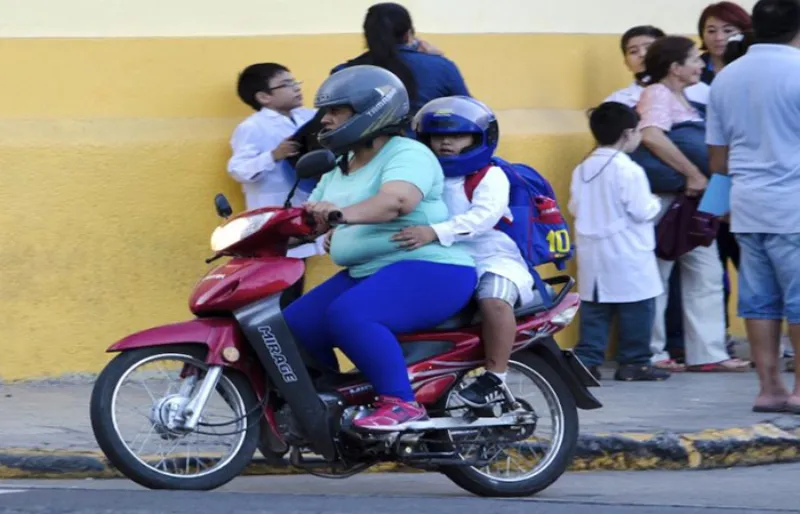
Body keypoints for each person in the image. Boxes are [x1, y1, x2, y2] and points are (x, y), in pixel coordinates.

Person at [283, 65, 478, 431]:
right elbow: (308, 221)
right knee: (294, 323)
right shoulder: (339, 167)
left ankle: (402, 403)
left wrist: (340, 216)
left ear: (370, 111)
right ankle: (330, 405)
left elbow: (396, 201)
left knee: (350, 315)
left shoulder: (407, 154)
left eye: (336, 111)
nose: (325, 120)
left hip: (430, 270)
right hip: (367, 272)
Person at [390, 96, 535, 406]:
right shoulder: (424, 176)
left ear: (479, 139)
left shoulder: (489, 175)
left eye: (457, 136)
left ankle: (496, 377)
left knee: (494, 300)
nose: (446, 143)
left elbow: (483, 217)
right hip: (440, 258)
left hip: (492, 257)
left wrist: (434, 232)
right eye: (437, 136)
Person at [706, 0, 800, 411]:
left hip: (746, 206)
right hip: (793, 205)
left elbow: (717, 160)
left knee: (759, 302)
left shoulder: (726, 77)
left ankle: (769, 388)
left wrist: (718, 207)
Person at [636, 36, 749, 372]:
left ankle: (708, 353)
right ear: (675, 67)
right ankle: (654, 352)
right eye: (693, 59)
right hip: (670, 202)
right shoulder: (657, 93)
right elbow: (651, 135)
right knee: (659, 275)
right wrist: (692, 175)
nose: (701, 64)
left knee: (707, 274)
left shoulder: (686, 98)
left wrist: (714, 201)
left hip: (694, 205)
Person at [568, 102, 669, 382]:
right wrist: (655, 202)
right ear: (627, 134)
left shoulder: (583, 168)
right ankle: (634, 362)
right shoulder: (628, 170)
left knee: (596, 308)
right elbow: (642, 210)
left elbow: (575, 206)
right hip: (627, 249)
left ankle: (587, 361)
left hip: (593, 249)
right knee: (638, 307)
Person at [227, 62, 322, 258]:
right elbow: (238, 170)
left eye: (295, 82)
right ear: (264, 97)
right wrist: (273, 155)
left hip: (306, 206)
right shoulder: (252, 127)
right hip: (276, 210)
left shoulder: (309, 116)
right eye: (287, 84)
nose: (296, 88)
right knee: (284, 264)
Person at [332, 2, 470, 114]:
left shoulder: (343, 74)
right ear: (408, 34)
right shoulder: (442, 68)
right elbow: (468, 111)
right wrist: (439, 60)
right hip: (422, 140)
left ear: (368, 36)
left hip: (365, 141)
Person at [606, 25, 709, 108]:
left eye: (649, 48)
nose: (642, 54)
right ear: (626, 63)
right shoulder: (616, 102)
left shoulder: (701, 91)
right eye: (633, 51)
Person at [698, 1, 753, 84]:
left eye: (728, 31)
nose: (719, 38)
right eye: (711, 31)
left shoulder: (753, 66)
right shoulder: (693, 68)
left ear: (744, 33)